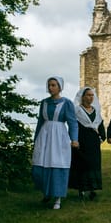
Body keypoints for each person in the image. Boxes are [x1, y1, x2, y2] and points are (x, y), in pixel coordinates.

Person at [31, 76, 79, 210]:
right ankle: (46, 192)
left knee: (57, 163)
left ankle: (57, 198)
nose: (50, 88)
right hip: (44, 135)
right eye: (49, 85)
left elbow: (72, 122)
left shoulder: (66, 103)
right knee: (41, 163)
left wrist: (74, 139)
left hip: (59, 136)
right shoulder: (44, 103)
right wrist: (36, 139)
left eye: (53, 85)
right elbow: (40, 121)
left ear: (60, 87)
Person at [69, 86, 106, 200]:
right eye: (88, 95)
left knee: (93, 164)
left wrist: (102, 137)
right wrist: (74, 139)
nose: (90, 97)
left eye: (92, 95)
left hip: (93, 142)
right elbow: (73, 125)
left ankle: (92, 188)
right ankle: (81, 189)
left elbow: (100, 125)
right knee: (82, 164)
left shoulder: (96, 111)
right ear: (83, 97)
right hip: (81, 140)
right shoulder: (77, 110)